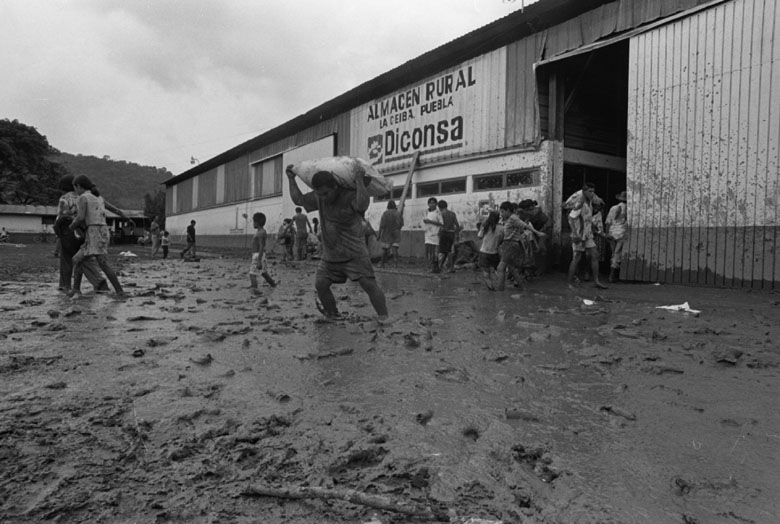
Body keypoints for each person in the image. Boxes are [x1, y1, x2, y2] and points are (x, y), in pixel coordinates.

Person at [286, 165, 389, 322]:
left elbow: (362, 205)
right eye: (320, 194)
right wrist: (291, 179)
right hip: (330, 254)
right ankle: (333, 315)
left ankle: (384, 318)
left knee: (369, 284)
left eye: (327, 193)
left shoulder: (348, 196)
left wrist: (360, 180)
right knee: (321, 284)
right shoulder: (319, 197)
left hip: (354, 253)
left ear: (335, 187)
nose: (324, 197)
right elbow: (299, 200)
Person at [69, 175, 128, 297]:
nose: (75, 191)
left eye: (75, 188)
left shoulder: (83, 197)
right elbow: (114, 209)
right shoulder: (98, 197)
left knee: (100, 263)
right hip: (103, 231)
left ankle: (119, 291)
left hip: (94, 232)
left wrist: (71, 227)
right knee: (80, 259)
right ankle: (76, 289)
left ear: (79, 186)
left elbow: (80, 218)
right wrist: (124, 216)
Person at [54, 174, 106, 294]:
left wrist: (58, 233)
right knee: (83, 259)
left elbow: (60, 216)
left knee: (66, 259)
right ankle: (97, 281)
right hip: (83, 232)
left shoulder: (64, 198)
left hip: (68, 231)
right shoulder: (84, 196)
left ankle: (65, 286)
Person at [565, 183, 608, 289]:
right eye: (590, 191)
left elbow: (587, 218)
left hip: (588, 234)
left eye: (593, 191)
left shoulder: (589, 202)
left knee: (595, 255)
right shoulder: (580, 202)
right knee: (577, 258)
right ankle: (569, 283)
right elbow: (571, 218)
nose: (592, 193)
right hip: (580, 234)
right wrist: (574, 233)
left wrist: (594, 228)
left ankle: (596, 281)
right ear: (584, 191)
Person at [495, 201, 544, 291]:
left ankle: (499, 291)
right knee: (512, 269)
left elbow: (525, 225)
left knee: (500, 268)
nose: (501, 214)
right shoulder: (510, 218)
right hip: (509, 244)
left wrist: (537, 232)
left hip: (510, 244)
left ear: (508, 210)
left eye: (502, 211)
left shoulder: (513, 218)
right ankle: (524, 289)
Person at [250, 212, 277, 294]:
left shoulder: (261, 233)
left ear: (257, 223)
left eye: (253, 222)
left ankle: (255, 289)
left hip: (258, 255)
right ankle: (273, 285)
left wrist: (258, 260)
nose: (253, 224)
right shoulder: (261, 231)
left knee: (252, 274)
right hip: (260, 255)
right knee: (264, 273)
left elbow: (262, 246)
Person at [605, 190, 628, 283]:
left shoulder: (614, 208)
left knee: (613, 253)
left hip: (612, 232)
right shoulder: (629, 209)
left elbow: (608, 221)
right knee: (617, 254)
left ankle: (610, 274)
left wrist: (607, 234)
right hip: (621, 233)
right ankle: (612, 276)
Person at [477, 211, 503, 290]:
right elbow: (502, 240)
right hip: (494, 252)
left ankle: (491, 288)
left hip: (484, 252)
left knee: (486, 272)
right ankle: (499, 286)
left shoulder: (485, 226)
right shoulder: (501, 228)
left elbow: (479, 236)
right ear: (498, 219)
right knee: (496, 270)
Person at [378, 200, 403, 268]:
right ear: (395, 205)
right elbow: (401, 224)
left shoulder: (385, 213)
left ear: (388, 205)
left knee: (385, 250)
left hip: (387, 234)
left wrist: (379, 235)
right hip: (396, 234)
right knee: (395, 249)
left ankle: (382, 264)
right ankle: (395, 264)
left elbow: (382, 225)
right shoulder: (398, 213)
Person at [436, 200, 460, 273]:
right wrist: (457, 234)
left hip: (444, 233)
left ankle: (439, 266)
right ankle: (451, 267)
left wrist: (438, 233)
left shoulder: (441, 214)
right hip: (451, 233)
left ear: (439, 207)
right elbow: (457, 225)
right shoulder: (452, 214)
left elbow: (440, 225)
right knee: (449, 251)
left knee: (442, 251)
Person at [422, 197, 442, 272]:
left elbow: (441, 223)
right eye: (430, 203)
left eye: (433, 203)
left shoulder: (438, 212)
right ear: (428, 204)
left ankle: (435, 268)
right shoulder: (426, 212)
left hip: (435, 235)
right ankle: (430, 267)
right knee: (428, 252)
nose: (431, 204)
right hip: (427, 235)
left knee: (434, 252)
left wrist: (430, 221)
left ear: (436, 204)